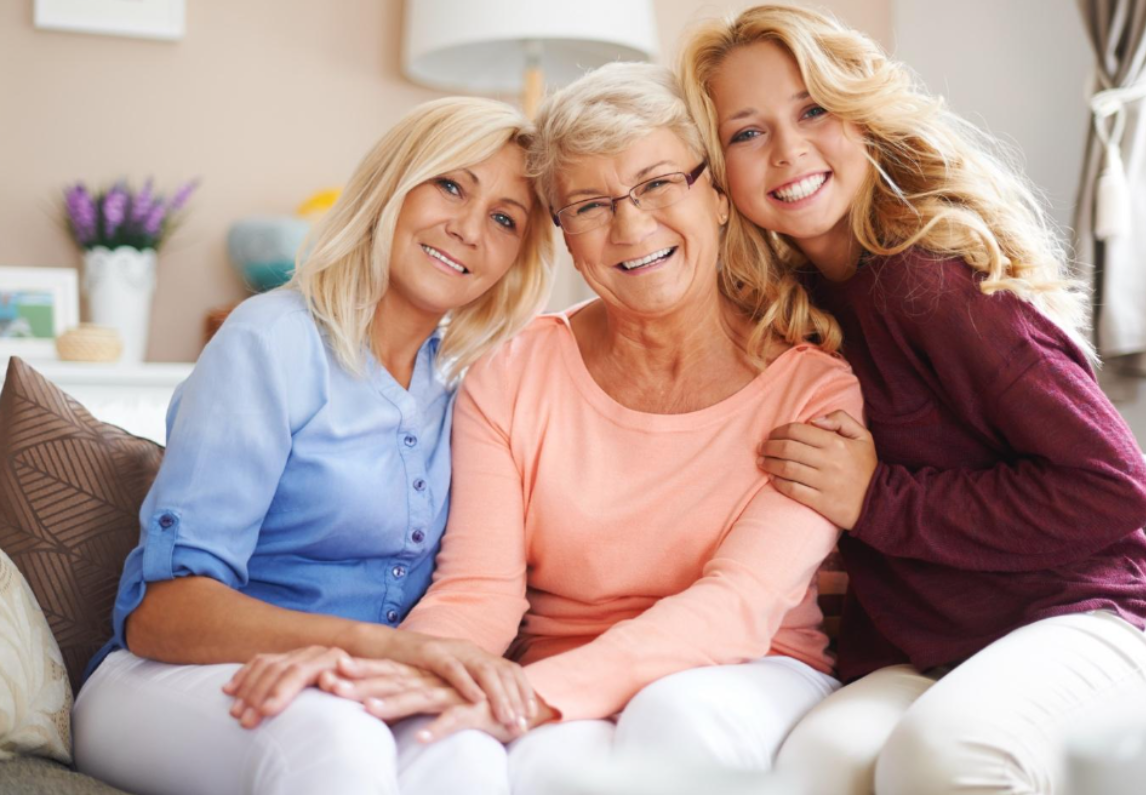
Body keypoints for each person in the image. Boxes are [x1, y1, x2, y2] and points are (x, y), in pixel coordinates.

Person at [679, 4, 1146, 793]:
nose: (788, 149)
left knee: (945, 755)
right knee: (813, 764)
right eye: (746, 132)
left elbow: (1114, 486)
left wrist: (878, 498)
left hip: (1085, 623)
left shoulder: (931, 282)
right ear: (717, 173)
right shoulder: (793, 310)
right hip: (927, 652)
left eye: (812, 109)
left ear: (860, 118)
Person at [318, 62, 864, 792]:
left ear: (720, 198)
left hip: (749, 674)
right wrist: (400, 679)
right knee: (500, 761)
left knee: (674, 721)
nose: (631, 226)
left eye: (659, 183)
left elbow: (734, 608)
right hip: (555, 681)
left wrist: (535, 694)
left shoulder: (814, 390)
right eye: (591, 205)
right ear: (566, 238)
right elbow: (479, 592)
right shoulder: (510, 373)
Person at [70, 96, 555, 794]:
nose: (470, 229)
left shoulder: (471, 388)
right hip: (169, 680)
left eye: (506, 219)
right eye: (451, 184)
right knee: (337, 740)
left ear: (517, 257)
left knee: (468, 751)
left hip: (350, 683)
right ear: (392, 184)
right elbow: (161, 615)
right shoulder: (269, 339)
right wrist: (356, 648)